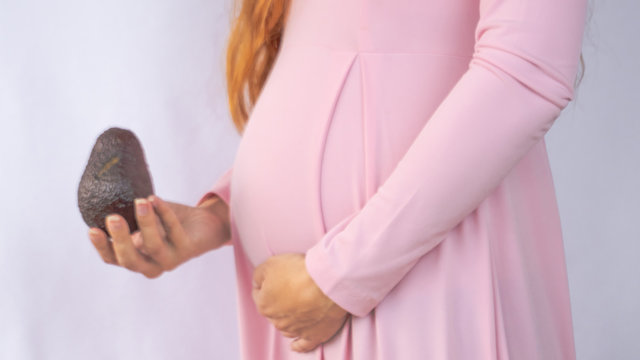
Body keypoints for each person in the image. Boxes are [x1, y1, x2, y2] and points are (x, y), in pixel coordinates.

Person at [88, 0, 588, 358]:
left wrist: (343, 275)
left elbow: (529, 69)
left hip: (420, 278)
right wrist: (219, 215)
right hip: (307, 303)